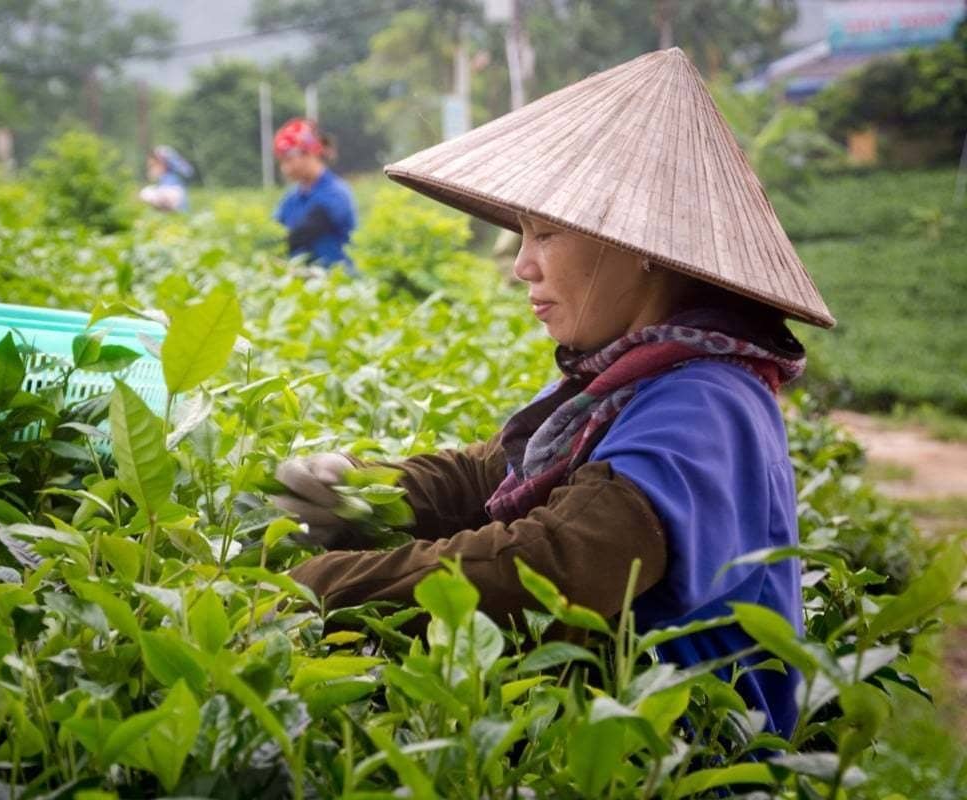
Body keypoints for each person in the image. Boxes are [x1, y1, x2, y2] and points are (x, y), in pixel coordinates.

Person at [271, 48, 836, 738]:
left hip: (686, 762)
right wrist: (361, 489)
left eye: (546, 233)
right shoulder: (629, 373)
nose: (521, 265)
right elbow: (494, 472)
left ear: (639, 242)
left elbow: (556, 564)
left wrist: (321, 586)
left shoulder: (706, 403)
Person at [273, 118, 357, 270]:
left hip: (336, 280)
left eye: (288, 159)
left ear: (308, 154)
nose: (285, 168)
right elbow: (275, 235)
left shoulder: (336, 193)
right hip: (299, 281)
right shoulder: (290, 199)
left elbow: (300, 234)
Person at [139, 145, 193, 213]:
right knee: (146, 193)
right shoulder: (161, 178)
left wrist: (172, 157)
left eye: (152, 165)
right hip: (166, 193)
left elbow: (188, 171)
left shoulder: (173, 172)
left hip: (175, 194)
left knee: (148, 194)